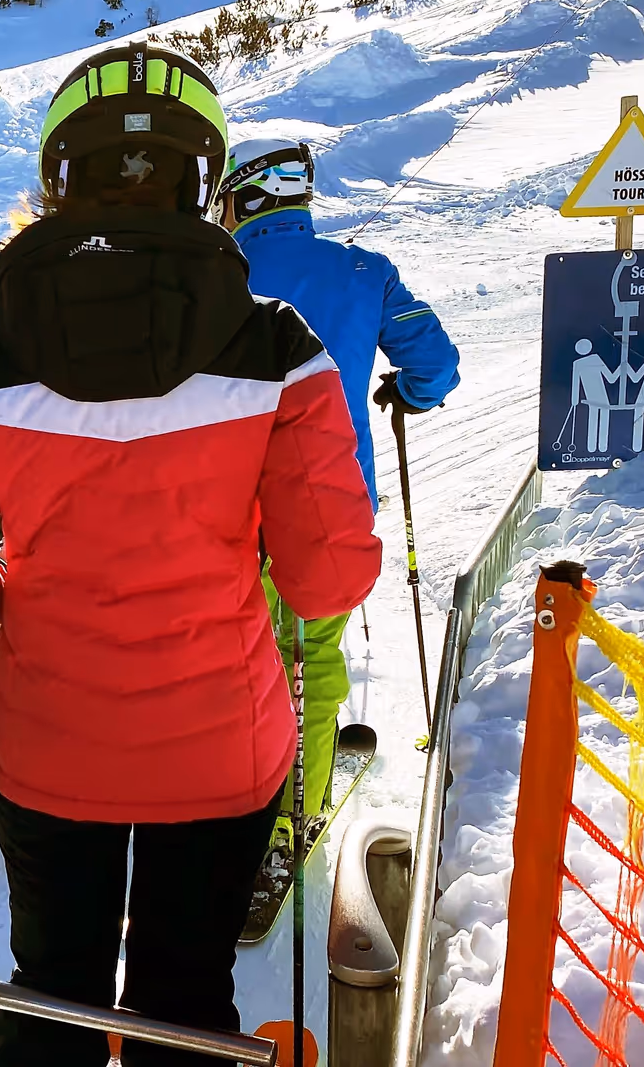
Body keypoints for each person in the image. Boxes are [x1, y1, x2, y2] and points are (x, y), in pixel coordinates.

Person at [0, 43, 382, 1065]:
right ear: (202, 179)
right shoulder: (276, 349)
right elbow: (329, 577)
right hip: (219, 750)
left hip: (46, 743)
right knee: (184, 1000)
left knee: (51, 993)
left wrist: (3, 592)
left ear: (59, 177)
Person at [217, 137, 461, 841]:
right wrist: (410, 391)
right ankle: (295, 814)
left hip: (227, 509)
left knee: (236, 660)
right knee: (309, 655)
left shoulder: (215, 275)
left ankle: (233, 802)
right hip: (334, 500)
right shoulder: (364, 270)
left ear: (240, 201)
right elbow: (435, 366)